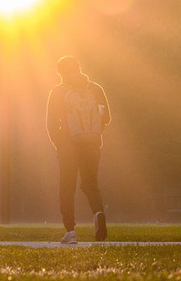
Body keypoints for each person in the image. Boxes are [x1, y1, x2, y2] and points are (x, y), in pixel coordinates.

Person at [46, 56, 111, 244]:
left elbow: (51, 123)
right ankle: (98, 213)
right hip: (92, 145)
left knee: (67, 187)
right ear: (79, 68)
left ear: (61, 73)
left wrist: (60, 145)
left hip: (68, 148)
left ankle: (70, 231)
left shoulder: (58, 92)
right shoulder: (96, 88)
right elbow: (106, 118)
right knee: (90, 185)